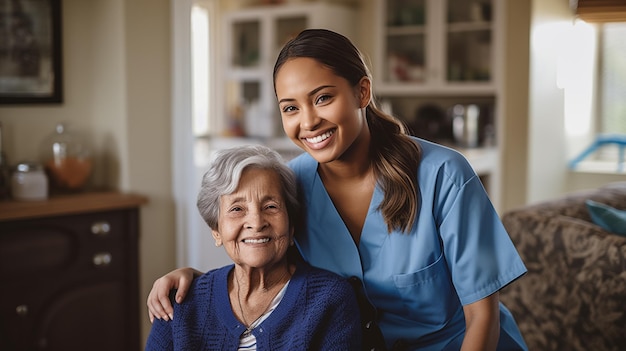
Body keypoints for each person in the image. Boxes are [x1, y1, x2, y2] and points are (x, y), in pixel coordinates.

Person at [147, 29, 528, 351]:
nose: (309, 122)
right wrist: (195, 280)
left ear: (362, 92)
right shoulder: (291, 184)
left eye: (323, 98)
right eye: (290, 108)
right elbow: (264, 254)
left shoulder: (443, 175)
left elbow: (482, 315)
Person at [145, 144, 362, 350]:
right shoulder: (181, 301)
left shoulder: (329, 300)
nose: (257, 223)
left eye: (270, 206)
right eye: (237, 209)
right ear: (216, 230)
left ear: (291, 224)